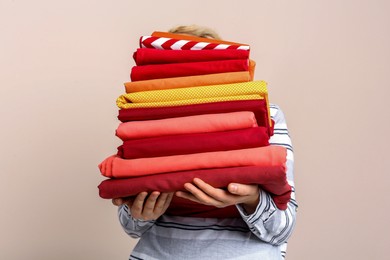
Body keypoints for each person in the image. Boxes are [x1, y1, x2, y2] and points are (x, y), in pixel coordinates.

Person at [112, 25, 298, 260]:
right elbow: (130, 226)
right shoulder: (148, 115)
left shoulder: (264, 115)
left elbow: (283, 228)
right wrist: (141, 214)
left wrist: (251, 199)